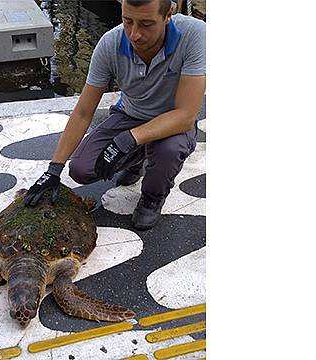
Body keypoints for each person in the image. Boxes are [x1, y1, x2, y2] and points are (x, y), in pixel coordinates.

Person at [24, 0, 206, 230]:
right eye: (127, 21)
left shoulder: (194, 35)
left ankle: (152, 197)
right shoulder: (110, 43)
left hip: (172, 122)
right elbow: (82, 112)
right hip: (130, 115)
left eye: (146, 24)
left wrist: (127, 139)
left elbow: (186, 115)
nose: (135, 34)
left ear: (168, 14)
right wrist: (53, 170)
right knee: (81, 169)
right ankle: (136, 160)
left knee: (168, 151)